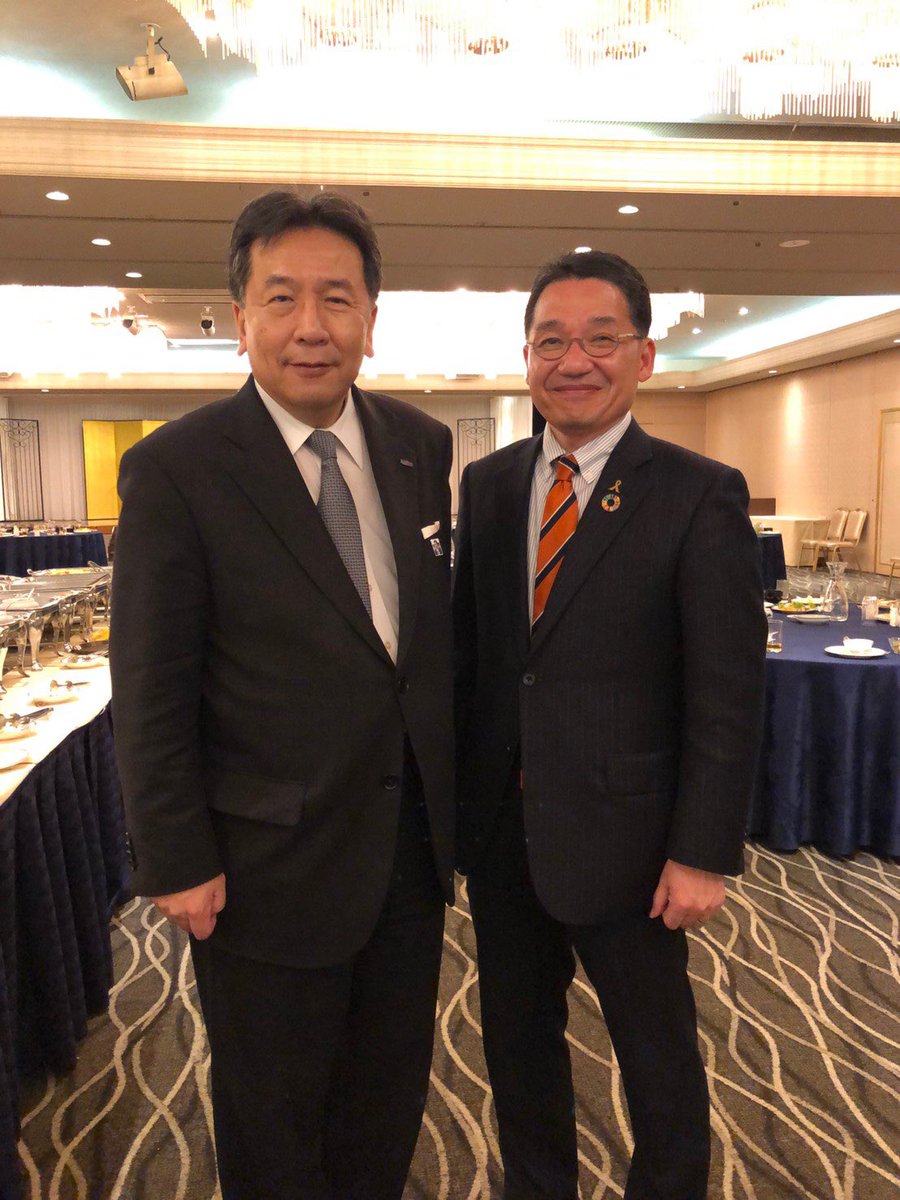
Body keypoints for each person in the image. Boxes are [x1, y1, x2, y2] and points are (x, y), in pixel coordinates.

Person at [110, 190, 456, 1200]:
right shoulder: (177, 469)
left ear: (371, 319)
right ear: (241, 317)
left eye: (337, 299)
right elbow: (151, 687)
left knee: (386, 1103)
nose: (312, 326)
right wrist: (177, 859)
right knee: (273, 1118)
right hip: (261, 870)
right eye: (282, 297)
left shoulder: (419, 446)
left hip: (406, 854)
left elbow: (419, 650)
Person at [453, 249, 767, 1199]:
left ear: (644, 356)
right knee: (517, 1045)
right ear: (527, 358)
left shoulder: (698, 491)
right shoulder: (491, 485)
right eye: (551, 341)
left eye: (600, 339)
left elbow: (727, 691)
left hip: (634, 843)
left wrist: (702, 852)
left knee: (656, 1057)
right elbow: (478, 658)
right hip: (506, 835)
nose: (574, 361)